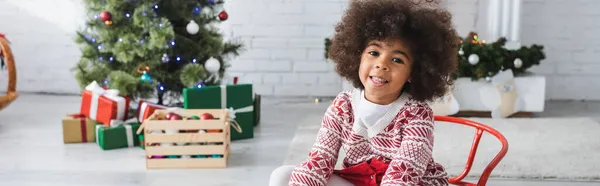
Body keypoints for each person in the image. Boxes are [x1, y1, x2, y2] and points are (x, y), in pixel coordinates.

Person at [269, 0, 459, 185]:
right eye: (374, 53)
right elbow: (320, 160)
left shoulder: (417, 113)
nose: (381, 64)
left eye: (397, 60)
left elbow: (405, 173)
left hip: (409, 182)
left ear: (413, 73)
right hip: (360, 179)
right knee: (283, 176)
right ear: (357, 56)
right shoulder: (343, 105)